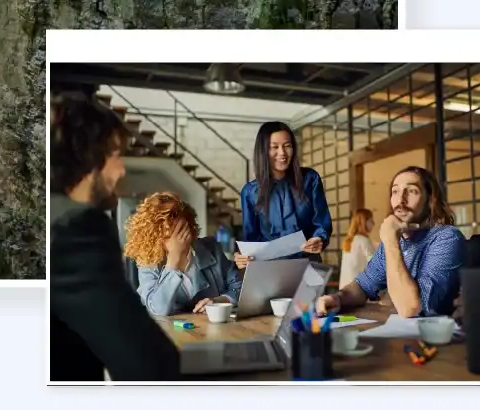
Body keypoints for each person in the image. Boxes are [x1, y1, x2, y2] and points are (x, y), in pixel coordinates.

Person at [48, 92, 180, 381]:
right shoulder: (77, 228)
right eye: (115, 156)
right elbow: (150, 364)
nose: (121, 170)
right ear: (86, 156)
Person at [317, 165, 464, 319]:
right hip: (403, 334)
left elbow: (410, 308)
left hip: (437, 338)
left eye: (412, 191)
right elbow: (363, 286)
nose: (401, 200)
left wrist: (390, 240)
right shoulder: (395, 240)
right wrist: (338, 298)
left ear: (429, 200)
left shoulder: (446, 237)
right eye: (395, 191)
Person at [124, 192, 241, 317]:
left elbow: (239, 289)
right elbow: (157, 308)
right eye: (166, 218)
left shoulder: (211, 248)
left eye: (176, 214)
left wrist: (217, 302)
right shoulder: (148, 262)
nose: (174, 223)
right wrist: (173, 262)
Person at [233, 122, 331, 269]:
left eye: (287, 146)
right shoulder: (250, 192)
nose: (282, 153)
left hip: (308, 265)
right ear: (263, 151)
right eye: (274, 147)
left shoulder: (310, 179)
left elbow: (321, 222)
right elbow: (251, 239)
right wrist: (241, 257)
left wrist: (318, 238)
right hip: (270, 269)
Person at [338, 208, 376, 290]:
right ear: (363, 222)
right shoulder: (363, 240)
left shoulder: (349, 241)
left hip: (344, 288)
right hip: (356, 290)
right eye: (370, 220)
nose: (373, 223)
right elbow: (373, 263)